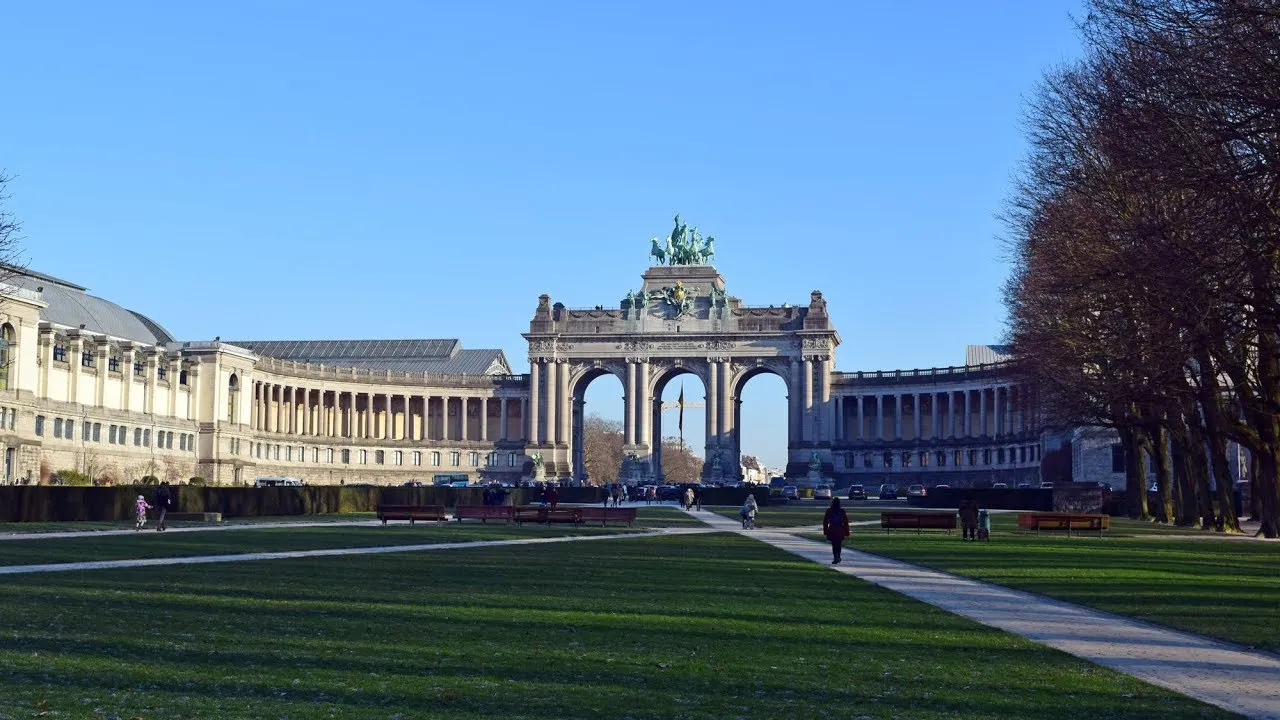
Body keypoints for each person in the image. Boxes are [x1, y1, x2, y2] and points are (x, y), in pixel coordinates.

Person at [822, 497, 850, 564]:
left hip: (832, 529)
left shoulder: (829, 511)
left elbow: (825, 522)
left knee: (834, 544)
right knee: (839, 544)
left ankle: (835, 556)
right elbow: (846, 522)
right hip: (840, 529)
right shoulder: (842, 511)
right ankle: (838, 556)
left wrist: (825, 531)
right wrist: (847, 531)